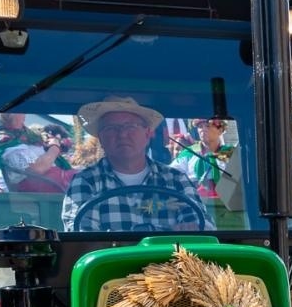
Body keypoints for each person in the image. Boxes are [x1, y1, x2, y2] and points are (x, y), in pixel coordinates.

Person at [61, 96, 211, 232]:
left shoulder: (177, 180)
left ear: (147, 134)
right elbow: (83, 240)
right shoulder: (86, 181)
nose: (122, 134)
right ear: (101, 138)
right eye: (111, 128)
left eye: (130, 126)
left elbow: (202, 229)